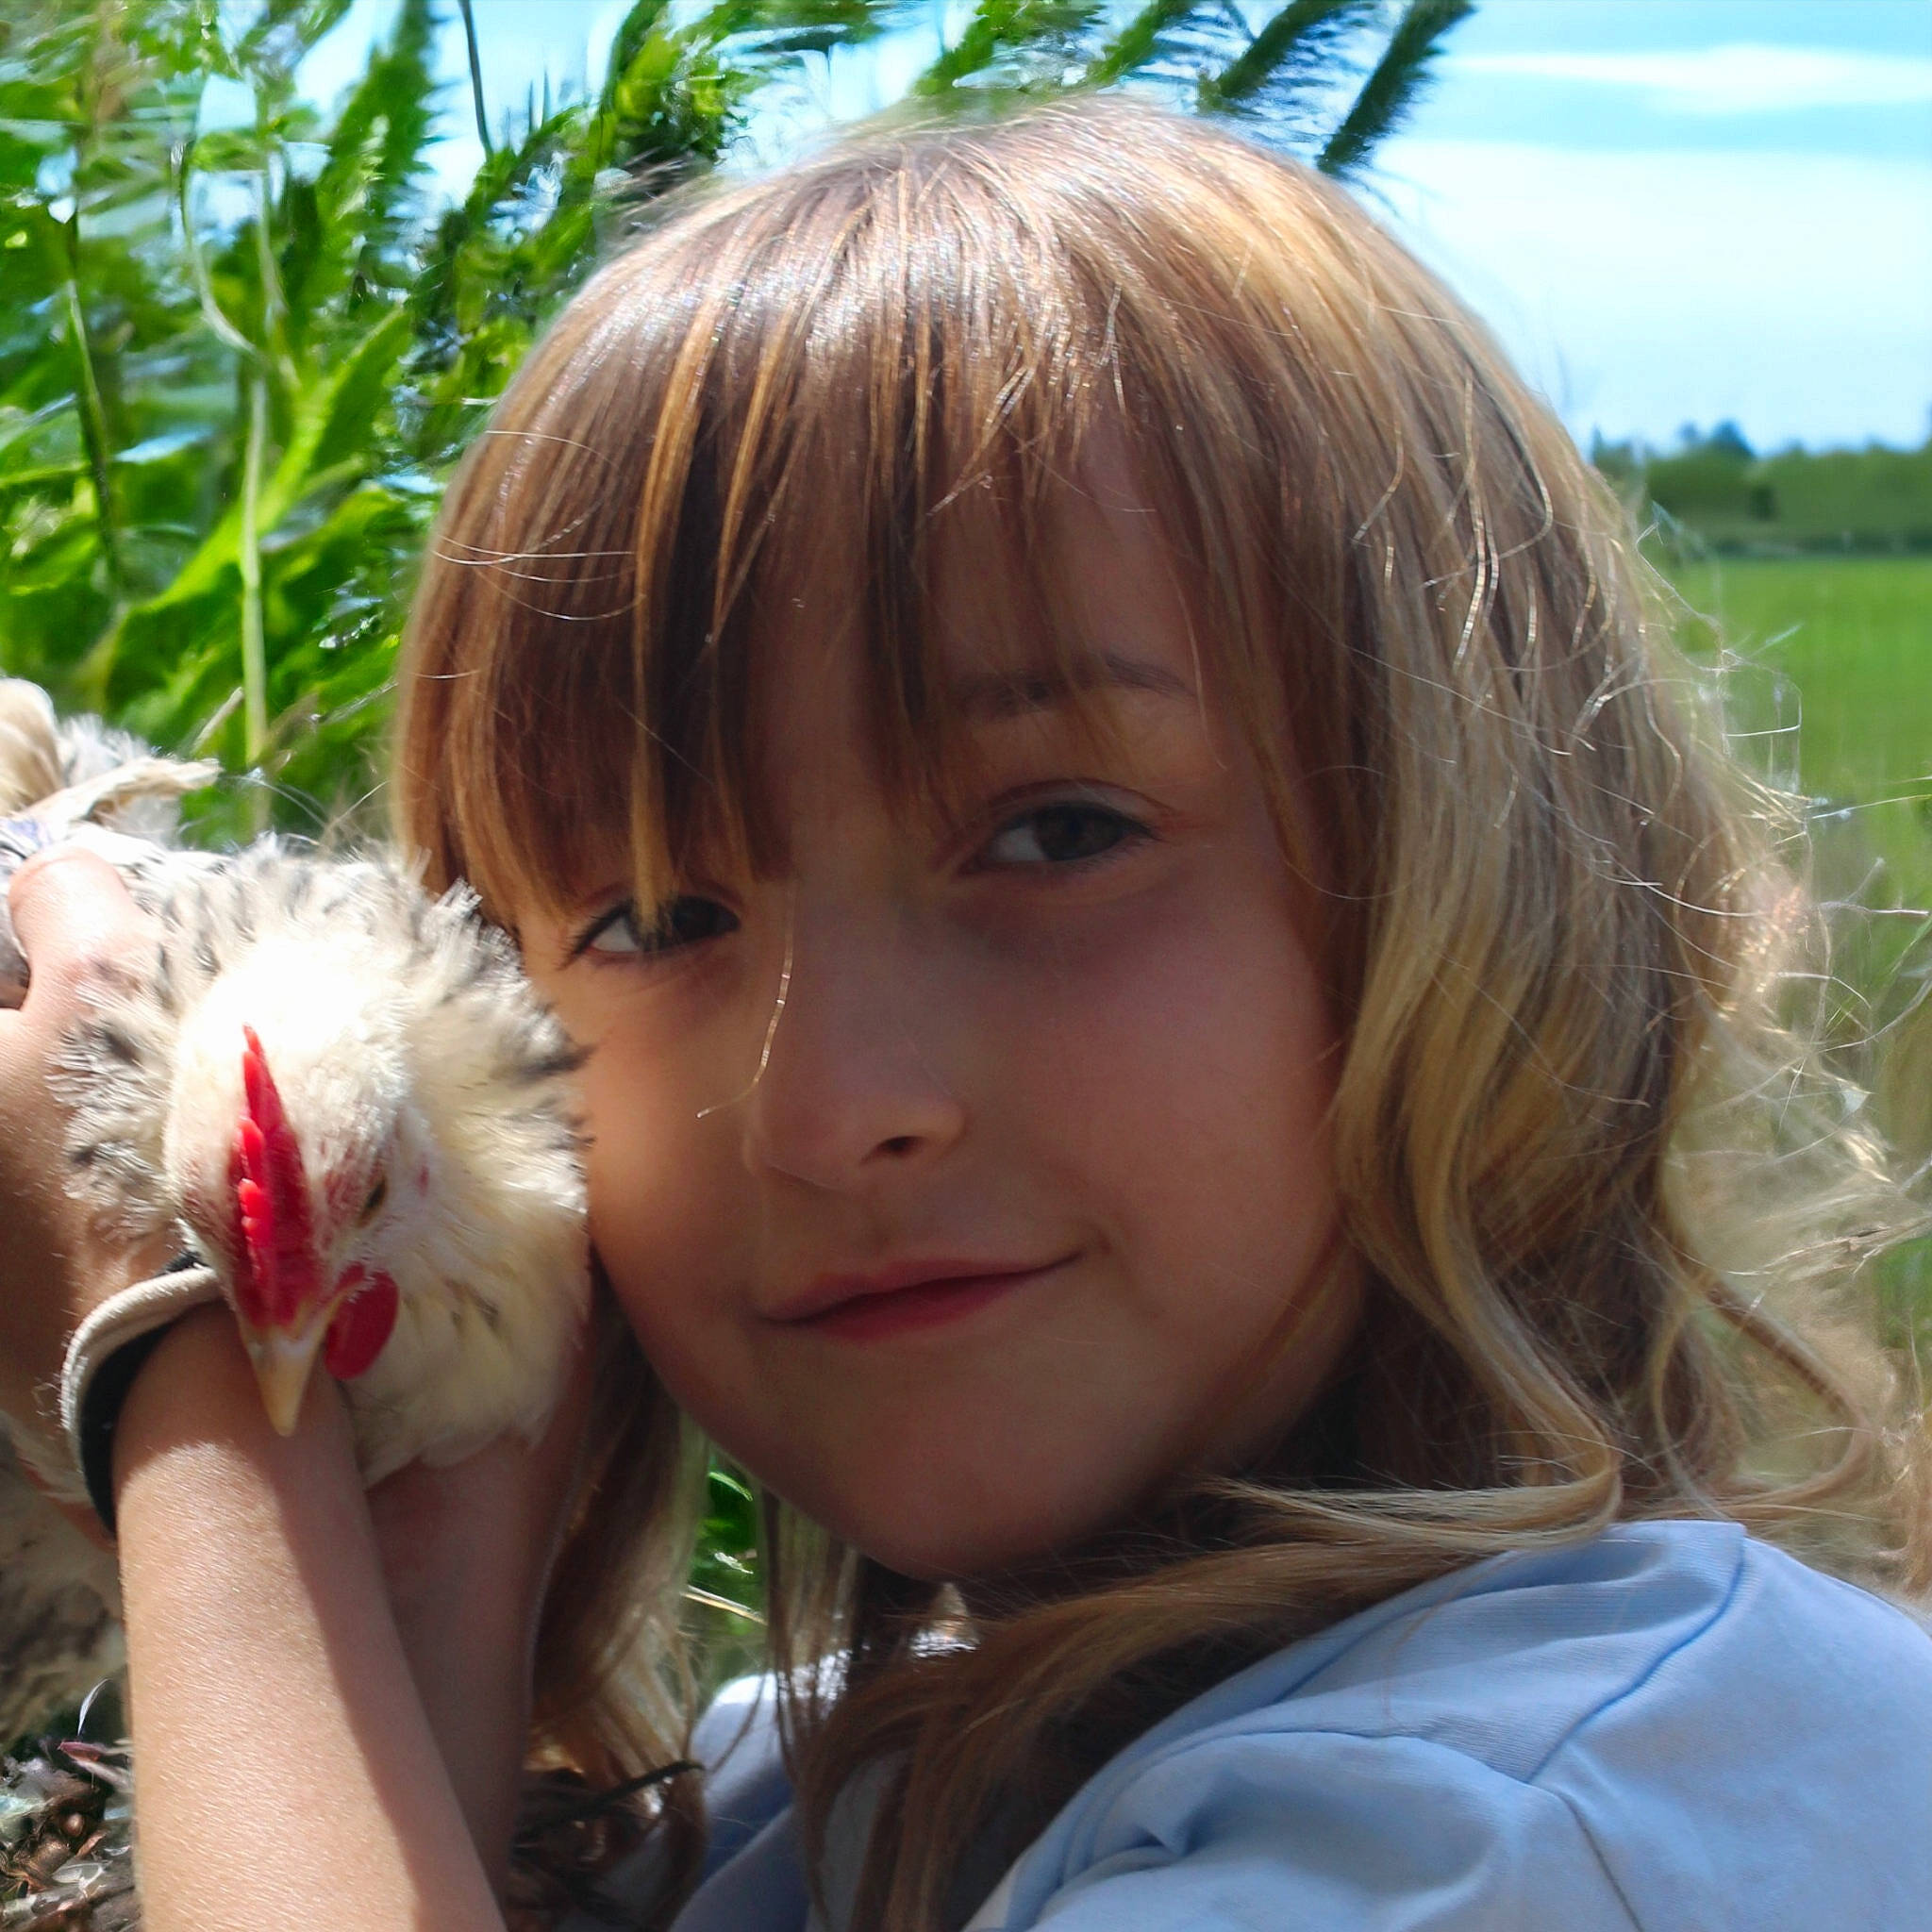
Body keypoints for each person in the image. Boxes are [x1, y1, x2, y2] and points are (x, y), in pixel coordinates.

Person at [1, 101, 1929, 1932]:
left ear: (1491, 869)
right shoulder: (828, 1786)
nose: (829, 1105)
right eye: (657, 914)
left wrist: (172, 1367)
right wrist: (424, 1524)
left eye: (1056, 831)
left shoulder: (1516, 1831)